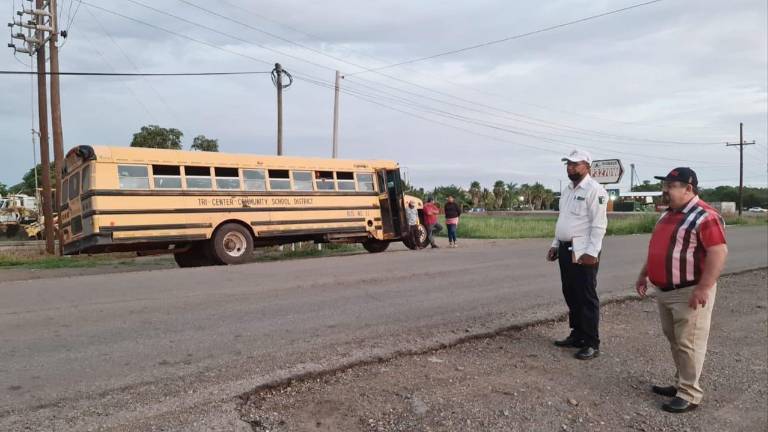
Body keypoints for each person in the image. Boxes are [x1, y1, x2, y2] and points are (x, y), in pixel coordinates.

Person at [635, 167, 728, 413]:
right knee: (675, 340)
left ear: (688, 189)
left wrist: (704, 288)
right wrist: (644, 274)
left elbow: (718, 252)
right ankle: (681, 383)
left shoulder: (705, 216)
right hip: (665, 290)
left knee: (689, 342)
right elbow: (657, 248)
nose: (665, 190)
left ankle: (689, 393)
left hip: (689, 291)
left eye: (671, 185)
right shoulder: (668, 215)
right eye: (665, 185)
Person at [547, 150, 608, 360]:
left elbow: (599, 225)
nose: (570, 167)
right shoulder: (567, 190)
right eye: (568, 164)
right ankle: (577, 334)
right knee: (570, 292)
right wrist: (555, 244)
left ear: (587, 167)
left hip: (584, 249)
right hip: (565, 247)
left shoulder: (595, 190)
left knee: (586, 295)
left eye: (576, 164)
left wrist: (592, 252)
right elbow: (563, 220)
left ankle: (592, 342)